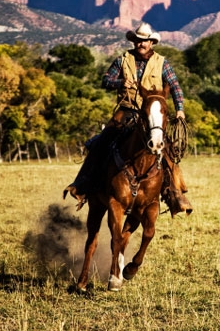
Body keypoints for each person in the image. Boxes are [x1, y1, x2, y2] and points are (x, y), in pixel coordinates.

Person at [64, 22, 187, 211]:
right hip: (127, 110)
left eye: (145, 41)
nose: (141, 44)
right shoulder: (122, 60)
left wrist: (179, 109)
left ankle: (175, 194)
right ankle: (82, 185)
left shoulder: (162, 63)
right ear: (134, 41)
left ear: (151, 43)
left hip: (152, 114)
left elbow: (175, 86)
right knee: (102, 142)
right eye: (138, 40)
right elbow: (105, 81)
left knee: (169, 149)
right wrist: (120, 82)